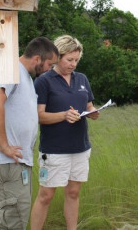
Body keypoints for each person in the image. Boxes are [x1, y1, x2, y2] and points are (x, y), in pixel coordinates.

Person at [0, 36, 59, 230]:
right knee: (10, 222)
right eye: (50, 64)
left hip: (17, 163)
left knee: (14, 219)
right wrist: (4, 146)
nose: (50, 70)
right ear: (37, 59)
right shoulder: (10, 70)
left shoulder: (23, 77)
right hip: (8, 162)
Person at [30, 35, 99, 230]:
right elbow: (38, 116)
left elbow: (89, 106)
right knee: (46, 195)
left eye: (76, 60)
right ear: (57, 56)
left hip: (80, 147)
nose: (73, 64)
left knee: (73, 192)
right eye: (69, 59)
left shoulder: (82, 79)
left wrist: (93, 113)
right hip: (54, 149)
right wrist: (63, 115)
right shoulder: (44, 81)